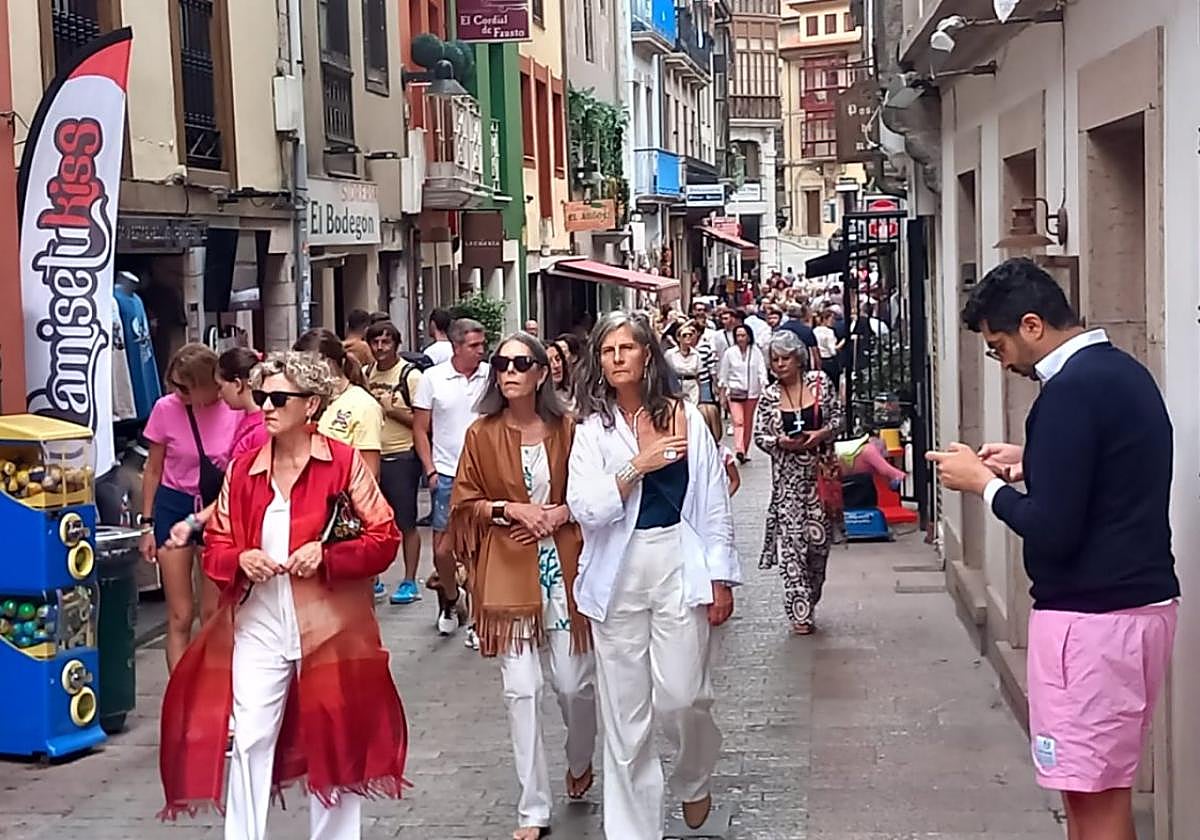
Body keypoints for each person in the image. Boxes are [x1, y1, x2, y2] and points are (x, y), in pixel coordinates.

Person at [926, 258, 1179, 840]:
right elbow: (1111, 477)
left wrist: (983, 486)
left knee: (1092, 802)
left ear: (1033, 325)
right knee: (1103, 789)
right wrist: (1031, 461)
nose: (1001, 360)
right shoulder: (1121, 373)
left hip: (1091, 622)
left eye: (998, 345)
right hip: (1137, 608)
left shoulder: (1069, 393)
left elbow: (1055, 528)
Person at [157, 351, 408, 836]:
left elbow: (384, 537)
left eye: (278, 397)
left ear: (310, 405)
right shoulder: (244, 469)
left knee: (334, 741)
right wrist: (240, 559)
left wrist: (327, 555)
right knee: (249, 738)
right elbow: (217, 547)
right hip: (260, 620)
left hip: (330, 625)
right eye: (261, 396)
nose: (266, 406)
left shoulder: (342, 462)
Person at [567, 312, 738, 840]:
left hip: (677, 561)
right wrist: (635, 466)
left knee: (683, 696)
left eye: (627, 348)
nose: (617, 359)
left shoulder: (685, 415)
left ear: (647, 355)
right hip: (616, 574)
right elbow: (586, 507)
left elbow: (711, 501)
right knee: (625, 716)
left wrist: (721, 577)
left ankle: (693, 776)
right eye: (607, 351)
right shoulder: (592, 431)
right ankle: (634, 830)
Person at [450, 334, 597, 840]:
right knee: (522, 689)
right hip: (507, 567)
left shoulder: (569, 430)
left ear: (542, 372)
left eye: (521, 363)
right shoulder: (480, 434)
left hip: (566, 567)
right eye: (501, 363)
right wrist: (508, 508)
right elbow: (463, 505)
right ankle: (532, 808)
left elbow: (594, 493)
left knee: (574, 683)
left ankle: (581, 756)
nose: (509, 371)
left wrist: (560, 511)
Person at [140, 343, 243, 671]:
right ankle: (179, 697)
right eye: (173, 385)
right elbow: (153, 469)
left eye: (184, 387)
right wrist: (147, 523)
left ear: (206, 382)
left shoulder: (234, 407)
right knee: (180, 613)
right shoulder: (165, 409)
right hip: (175, 505)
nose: (177, 392)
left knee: (212, 614)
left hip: (218, 508)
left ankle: (211, 691)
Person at [753, 331, 842, 635]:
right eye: (774, 359)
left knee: (818, 546)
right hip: (787, 482)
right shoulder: (768, 397)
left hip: (818, 479)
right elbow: (759, 436)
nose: (779, 365)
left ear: (798, 359)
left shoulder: (820, 384)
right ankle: (799, 612)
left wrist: (822, 434)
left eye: (785, 358)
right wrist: (780, 441)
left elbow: (838, 419)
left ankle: (811, 596)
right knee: (792, 547)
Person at [412, 318, 490, 638]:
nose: (480, 351)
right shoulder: (433, 378)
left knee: (479, 549)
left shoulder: (492, 376)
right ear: (456, 347)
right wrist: (429, 469)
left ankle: (476, 617)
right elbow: (420, 427)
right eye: (474, 346)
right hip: (445, 473)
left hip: (484, 474)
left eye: (482, 345)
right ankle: (450, 597)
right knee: (443, 550)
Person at [165, 348, 268, 549]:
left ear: (238, 385)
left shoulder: (259, 430)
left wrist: (194, 521)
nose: (219, 394)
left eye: (221, 387)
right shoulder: (251, 422)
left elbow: (238, 491)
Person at [365, 321, 425, 606]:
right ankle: (374, 577)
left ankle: (410, 579)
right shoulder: (366, 374)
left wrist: (392, 410)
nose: (380, 348)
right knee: (372, 521)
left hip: (402, 455)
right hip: (372, 455)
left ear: (396, 344)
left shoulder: (409, 376)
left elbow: (424, 423)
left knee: (406, 522)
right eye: (375, 342)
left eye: (386, 342)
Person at [718, 324, 769, 464]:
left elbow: (761, 370)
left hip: (752, 393)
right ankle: (739, 448)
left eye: (743, 335)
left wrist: (764, 385)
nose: (740, 338)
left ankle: (745, 451)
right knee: (738, 421)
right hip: (735, 392)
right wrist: (722, 393)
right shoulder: (730, 352)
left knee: (748, 422)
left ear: (748, 337)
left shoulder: (755, 351)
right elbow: (724, 373)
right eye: (738, 336)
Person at [663, 323, 702, 404]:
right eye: (684, 335)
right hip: (677, 384)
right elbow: (665, 371)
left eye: (690, 335)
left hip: (692, 385)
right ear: (678, 337)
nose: (687, 337)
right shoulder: (670, 354)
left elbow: (698, 375)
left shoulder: (696, 354)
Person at [813, 309, 843, 385]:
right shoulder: (829, 332)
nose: (834, 321)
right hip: (830, 362)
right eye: (832, 319)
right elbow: (833, 351)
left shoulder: (814, 331)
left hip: (819, 361)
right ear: (825, 319)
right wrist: (843, 342)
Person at [546, 340, 575, 409]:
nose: (556, 365)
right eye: (549, 361)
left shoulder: (573, 393)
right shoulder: (536, 401)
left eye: (558, 359)